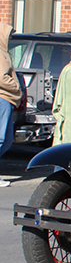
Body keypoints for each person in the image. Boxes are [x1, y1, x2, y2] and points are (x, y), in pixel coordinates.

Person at [0, 23, 22, 187]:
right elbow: (1, 77)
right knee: (1, 139)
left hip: (7, 100)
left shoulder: (4, 52)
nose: (11, 39)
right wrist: (16, 87)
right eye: (9, 35)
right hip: (2, 98)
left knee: (7, 140)